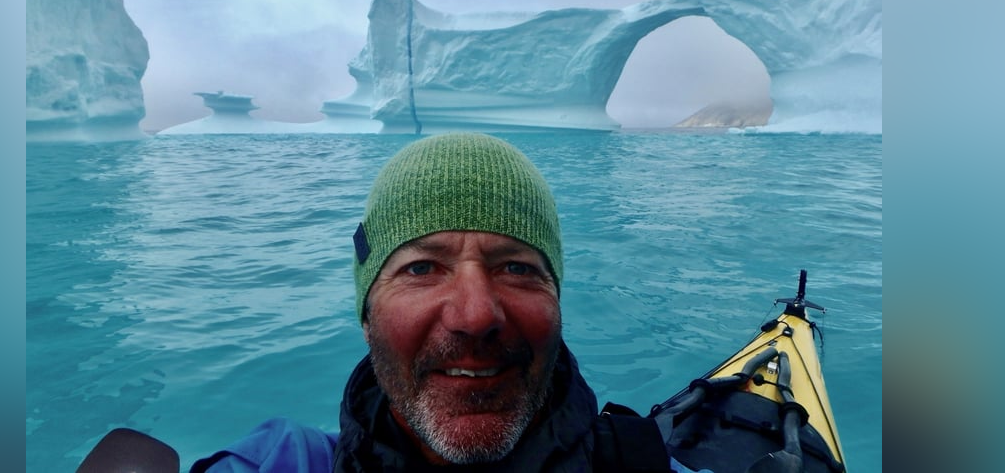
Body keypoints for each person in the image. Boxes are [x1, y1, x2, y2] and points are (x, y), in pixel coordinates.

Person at [192, 133, 692, 472]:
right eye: (421, 268)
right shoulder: (284, 462)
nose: (474, 316)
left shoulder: (643, 462)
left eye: (516, 267)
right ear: (366, 312)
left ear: (556, 297)